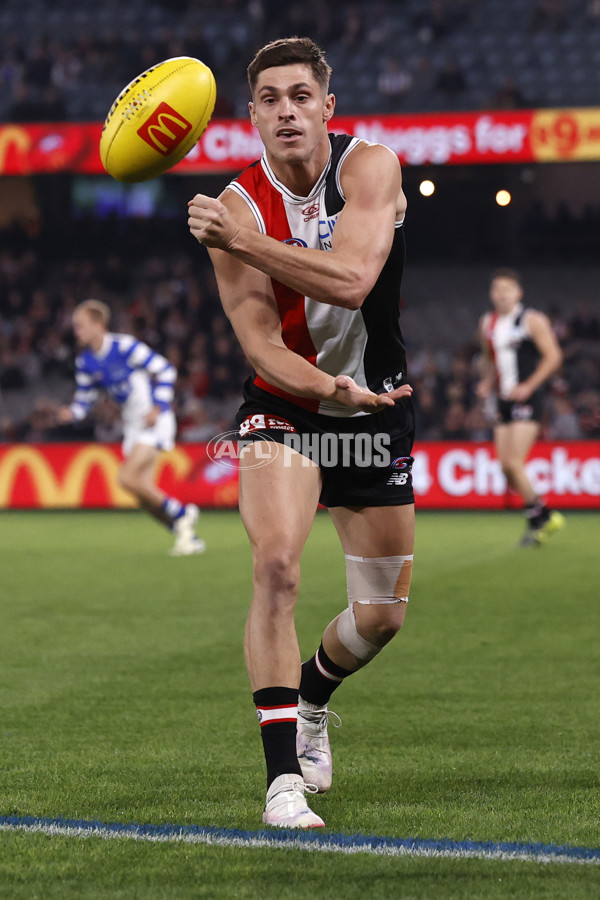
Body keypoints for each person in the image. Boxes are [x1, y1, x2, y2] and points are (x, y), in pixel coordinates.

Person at [187, 37, 415, 829]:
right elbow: (261, 348)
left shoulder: (369, 168)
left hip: (375, 409)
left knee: (382, 615)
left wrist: (238, 240)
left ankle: (314, 698)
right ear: (251, 116)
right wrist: (327, 389)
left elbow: (353, 283)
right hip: (285, 405)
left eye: (300, 96)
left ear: (327, 105)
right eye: (270, 99)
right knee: (277, 565)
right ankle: (282, 781)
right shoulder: (240, 201)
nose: (286, 110)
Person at [57, 299, 205, 556]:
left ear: (98, 324)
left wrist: (158, 406)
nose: (76, 331)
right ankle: (185, 536)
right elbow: (85, 399)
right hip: (133, 426)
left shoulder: (124, 347)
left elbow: (165, 370)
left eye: (80, 325)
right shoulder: (86, 362)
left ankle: (183, 513)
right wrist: (71, 413)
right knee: (142, 494)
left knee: (126, 479)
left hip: (155, 419)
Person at [476, 269, 565, 546]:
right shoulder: (487, 323)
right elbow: (489, 359)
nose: (502, 295)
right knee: (505, 468)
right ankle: (543, 513)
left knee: (515, 462)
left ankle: (540, 519)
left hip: (527, 399)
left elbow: (553, 357)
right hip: (503, 399)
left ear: (519, 293)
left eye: (507, 289)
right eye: (497, 290)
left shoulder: (531, 320)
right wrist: (487, 383)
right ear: (491, 294)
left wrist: (529, 385)